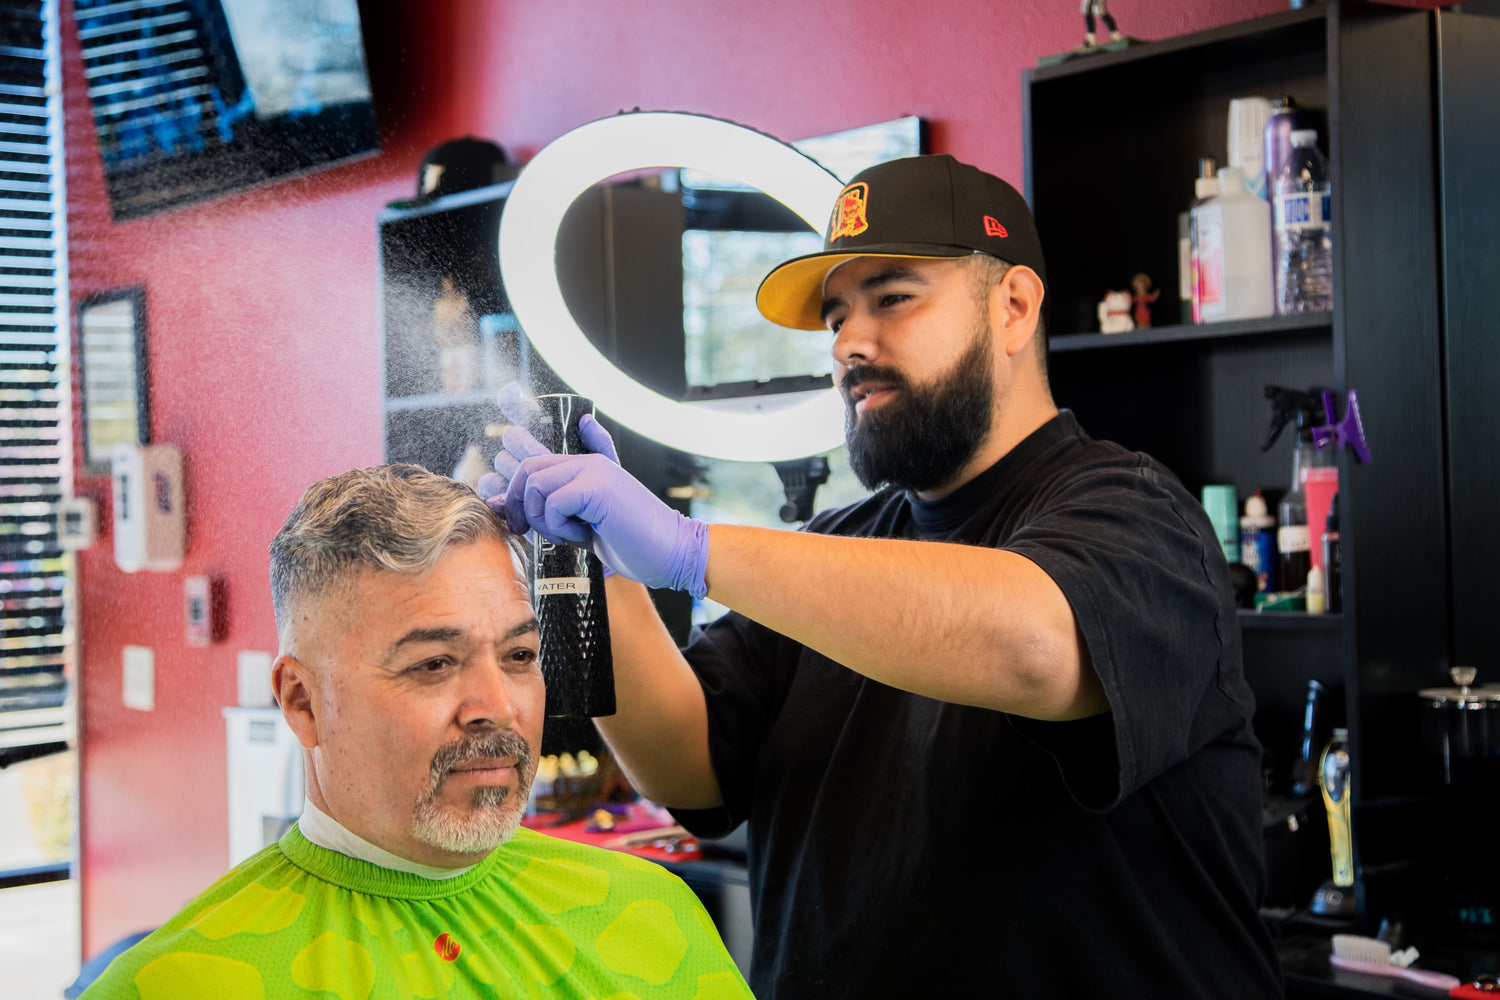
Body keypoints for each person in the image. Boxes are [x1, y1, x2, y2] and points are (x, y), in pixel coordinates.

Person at [485, 154, 1283, 998]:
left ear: (1012, 306)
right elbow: (688, 763)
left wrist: (691, 549)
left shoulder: (1140, 517)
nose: (846, 344)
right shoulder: (839, 546)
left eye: (893, 299)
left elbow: (1035, 646)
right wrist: (599, 565)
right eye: (836, 316)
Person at [80, 465, 752, 1000]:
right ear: (301, 701)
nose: (497, 705)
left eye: (519, 656)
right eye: (434, 664)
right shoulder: (176, 986)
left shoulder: (649, 909)